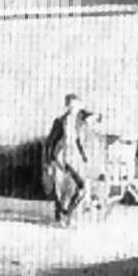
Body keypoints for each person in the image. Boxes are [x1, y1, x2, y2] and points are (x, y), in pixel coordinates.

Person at [45, 94, 90, 225]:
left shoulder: (77, 121)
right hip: (61, 159)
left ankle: (66, 213)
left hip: (74, 158)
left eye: (76, 106)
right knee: (62, 190)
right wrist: (49, 162)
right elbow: (50, 142)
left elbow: (76, 140)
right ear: (67, 106)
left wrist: (83, 155)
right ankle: (62, 216)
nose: (74, 108)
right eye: (72, 106)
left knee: (80, 188)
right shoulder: (60, 121)